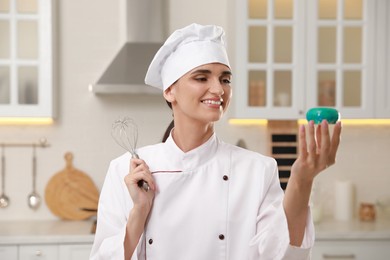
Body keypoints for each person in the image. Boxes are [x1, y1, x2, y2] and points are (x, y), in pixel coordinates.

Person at [90, 23, 342, 260]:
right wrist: (139, 213)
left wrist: (301, 180)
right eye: (202, 78)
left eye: (225, 79)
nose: (219, 89)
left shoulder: (258, 170)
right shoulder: (127, 170)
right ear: (169, 90)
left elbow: (283, 256)